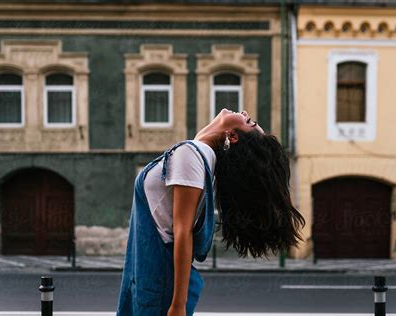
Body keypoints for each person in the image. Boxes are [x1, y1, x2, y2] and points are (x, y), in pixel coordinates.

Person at [116, 109, 305, 316]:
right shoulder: (201, 155)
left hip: (158, 281)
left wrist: (178, 305)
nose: (243, 112)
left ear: (232, 136)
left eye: (248, 121)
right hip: (152, 276)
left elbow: (182, 231)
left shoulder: (191, 154)